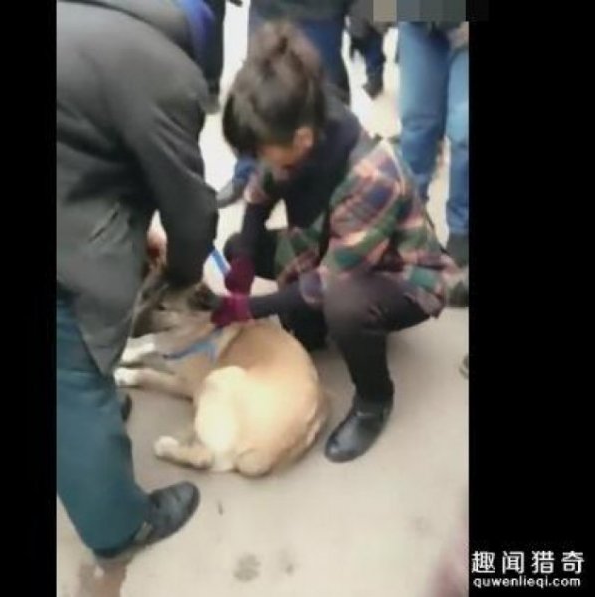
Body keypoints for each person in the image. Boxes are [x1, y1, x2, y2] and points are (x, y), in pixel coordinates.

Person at [211, 22, 457, 463]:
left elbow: (326, 282)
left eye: (261, 152)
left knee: (343, 304)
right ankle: (316, 329)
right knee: (236, 246)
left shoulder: (371, 174)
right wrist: (245, 256)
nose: (260, 160)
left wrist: (251, 308)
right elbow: (259, 196)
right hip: (332, 247)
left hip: (401, 274)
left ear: (302, 140)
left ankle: (374, 400)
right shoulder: (291, 123)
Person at [57, 0, 218, 561]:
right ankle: (119, 526)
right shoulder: (171, 74)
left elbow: (82, 143)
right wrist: (182, 273)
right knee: (73, 369)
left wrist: (132, 227)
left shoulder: (81, 20)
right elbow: (190, 210)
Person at [216, 0, 353, 208]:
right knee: (257, 106)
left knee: (319, 110)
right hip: (267, 7)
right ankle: (246, 176)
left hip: (322, 13)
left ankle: (319, 194)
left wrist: (373, 10)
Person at [397, 22, 469, 305]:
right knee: (417, 125)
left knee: (465, 131)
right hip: (420, 17)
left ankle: (462, 231)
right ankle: (410, 225)